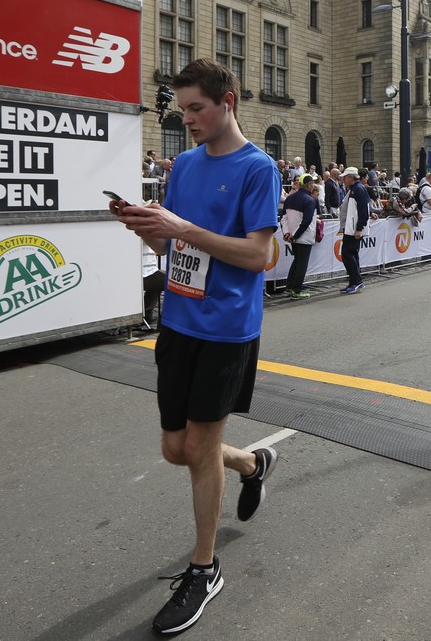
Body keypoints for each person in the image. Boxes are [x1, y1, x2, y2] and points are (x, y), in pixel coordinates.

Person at [108, 59, 280, 636]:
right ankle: (252, 463)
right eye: (182, 109)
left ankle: (204, 569)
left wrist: (181, 229)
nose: (187, 119)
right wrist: (148, 228)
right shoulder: (183, 164)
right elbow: (174, 248)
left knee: (200, 447)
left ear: (227, 102)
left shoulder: (258, 168)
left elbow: (257, 256)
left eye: (196, 108)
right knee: (175, 448)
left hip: (227, 328)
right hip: (179, 322)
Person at [281, 174, 319, 299]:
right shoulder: (309, 200)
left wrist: (287, 233)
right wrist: (295, 235)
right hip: (303, 236)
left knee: (297, 260)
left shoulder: (289, 198)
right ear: (309, 184)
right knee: (302, 263)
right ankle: (297, 290)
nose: (313, 185)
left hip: (293, 235)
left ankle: (290, 286)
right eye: (312, 183)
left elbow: (284, 218)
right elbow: (306, 221)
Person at [339, 167, 370, 294]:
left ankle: (356, 281)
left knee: (348, 254)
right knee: (350, 255)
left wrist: (359, 228)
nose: (343, 179)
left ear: (351, 177)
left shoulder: (358, 189)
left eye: (345, 177)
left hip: (353, 229)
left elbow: (363, 211)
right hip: (351, 228)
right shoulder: (355, 189)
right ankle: (355, 281)